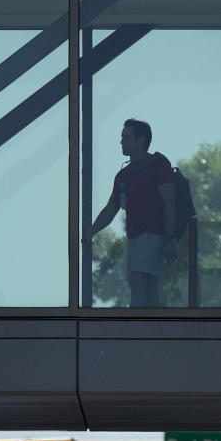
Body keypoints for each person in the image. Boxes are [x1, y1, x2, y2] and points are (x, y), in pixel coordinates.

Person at [90, 118, 176, 307]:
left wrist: (170, 238)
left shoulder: (158, 166)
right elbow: (111, 208)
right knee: (144, 285)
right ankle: (150, 329)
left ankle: (139, 328)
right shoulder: (123, 176)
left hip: (153, 233)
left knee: (139, 280)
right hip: (135, 237)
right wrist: (90, 232)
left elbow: (170, 202)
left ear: (141, 140)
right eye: (122, 137)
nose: (121, 141)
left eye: (127, 137)